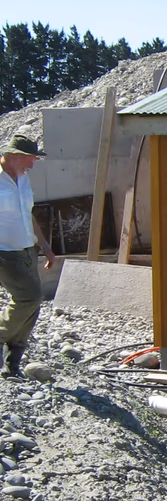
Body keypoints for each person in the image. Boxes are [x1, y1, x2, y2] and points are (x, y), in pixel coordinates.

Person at [0, 135, 55, 379]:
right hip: (4, 252)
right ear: (15, 156)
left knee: (33, 305)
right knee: (29, 297)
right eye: (31, 158)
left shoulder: (23, 178)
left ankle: (12, 365)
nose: (33, 164)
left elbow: (28, 214)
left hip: (28, 251)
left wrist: (45, 245)